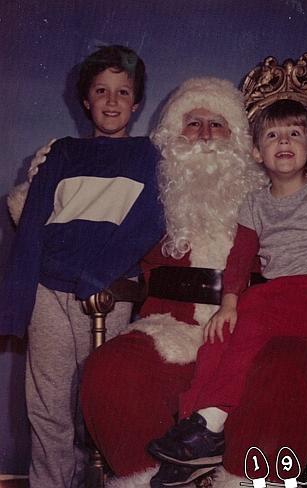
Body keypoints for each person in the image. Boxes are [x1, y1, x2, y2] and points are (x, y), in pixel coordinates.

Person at [77, 79, 307, 488]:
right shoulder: (151, 191)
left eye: (218, 124)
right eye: (193, 123)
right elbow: (94, 224)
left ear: (239, 143)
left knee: (276, 372)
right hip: (170, 323)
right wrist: (45, 178)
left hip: (281, 317)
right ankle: (162, 474)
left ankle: (243, 477)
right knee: (110, 369)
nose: (206, 135)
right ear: (174, 134)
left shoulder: (292, 191)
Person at [0, 45, 164, 488]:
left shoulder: (150, 156)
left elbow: (149, 221)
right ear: (86, 100)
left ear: (137, 102)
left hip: (107, 292)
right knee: (47, 403)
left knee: (101, 400)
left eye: (123, 92)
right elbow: (33, 223)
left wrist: (102, 274)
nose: (111, 101)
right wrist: (16, 303)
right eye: (101, 91)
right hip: (49, 290)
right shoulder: (62, 153)